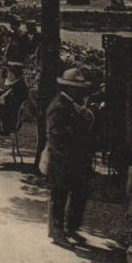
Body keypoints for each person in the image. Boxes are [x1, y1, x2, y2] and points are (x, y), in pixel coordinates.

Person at [44, 67, 96, 244]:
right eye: (77, 88)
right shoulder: (59, 106)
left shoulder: (74, 105)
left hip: (75, 159)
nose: (81, 92)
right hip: (61, 160)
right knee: (59, 195)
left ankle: (71, 228)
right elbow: (55, 136)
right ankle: (57, 231)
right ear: (68, 88)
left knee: (79, 193)